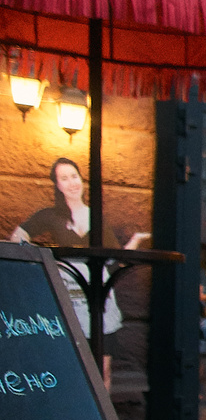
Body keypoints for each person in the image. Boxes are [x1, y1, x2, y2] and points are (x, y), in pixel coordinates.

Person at [10, 157, 149, 390]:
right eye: (64, 178)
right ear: (57, 185)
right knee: (71, 366)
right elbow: (18, 238)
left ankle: (100, 413)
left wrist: (135, 241)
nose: (72, 182)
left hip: (99, 299)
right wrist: (44, 262)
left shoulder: (96, 217)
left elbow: (115, 260)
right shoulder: (51, 216)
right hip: (70, 297)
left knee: (103, 369)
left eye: (74, 176)